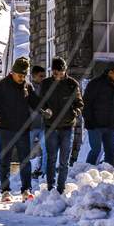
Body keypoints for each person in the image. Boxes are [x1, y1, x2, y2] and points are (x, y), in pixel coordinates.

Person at [0, 58, 36, 202]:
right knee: (5, 160)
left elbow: (35, 102)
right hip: (6, 129)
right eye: (20, 75)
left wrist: (44, 109)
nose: (22, 78)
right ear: (13, 72)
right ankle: (5, 190)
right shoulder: (2, 85)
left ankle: (26, 189)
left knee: (25, 160)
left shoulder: (27, 87)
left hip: (23, 129)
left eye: (24, 76)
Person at [37, 57, 83, 193]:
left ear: (65, 70)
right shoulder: (45, 84)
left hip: (67, 127)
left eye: (60, 73)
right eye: (55, 73)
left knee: (64, 161)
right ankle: (51, 187)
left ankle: (61, 188)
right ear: (52, 71)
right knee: (51, 159)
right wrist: (44, 111)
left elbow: (79, 103)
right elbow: (39, 104)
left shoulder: (72, 84)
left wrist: (75, 111)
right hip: (50, 127)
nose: (58, 76)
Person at [82, 64, 114, 166]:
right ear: (110, 72)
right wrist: (89, 121)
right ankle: (87, 172)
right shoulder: (95, 84)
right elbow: (86, 103)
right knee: (96, 150)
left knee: (110, 153)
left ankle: (107, 175)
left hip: (110, 125)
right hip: (95, 125)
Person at [28, 64, 48, 175]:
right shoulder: (27, 88)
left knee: (46, 149)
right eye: (41, 76)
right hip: (30, 125)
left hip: (43, 125)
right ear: (34, 76)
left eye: (44, 76)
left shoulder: (46, 88)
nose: (43, 78)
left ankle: (44, 172)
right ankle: (30, 171)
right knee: (29, 151)